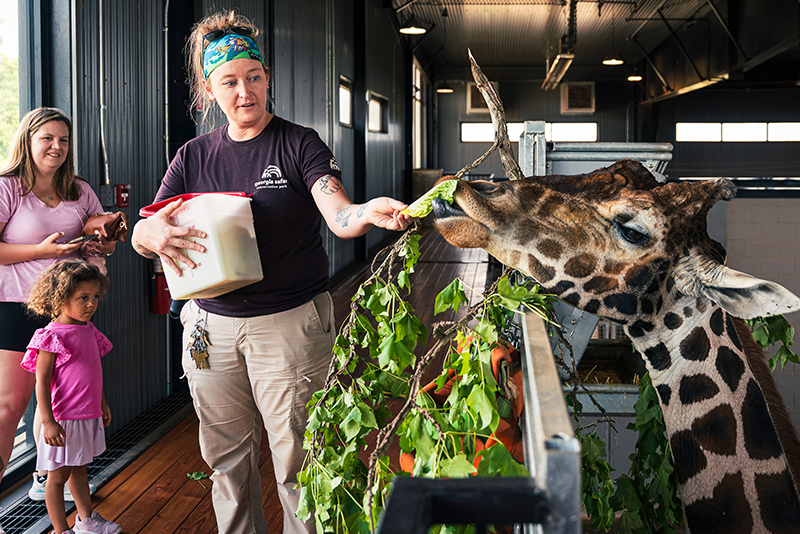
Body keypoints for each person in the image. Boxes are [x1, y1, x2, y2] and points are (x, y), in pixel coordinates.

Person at [130, 9, 411, 534]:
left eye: (253, 78)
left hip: (287, 326)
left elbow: (339, 213)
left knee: (299, 461)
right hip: (209, 328)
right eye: (229, 82)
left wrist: (366, 213)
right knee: (226, 461)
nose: (245, 92)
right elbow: (145, 230)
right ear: (211, 92)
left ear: (267, 79)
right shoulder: (193, 155)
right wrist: (146, 236)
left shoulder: (300, 143)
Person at [0, 108, 117, 507]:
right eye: (47, 138)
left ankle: (43, 475)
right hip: (16, 307)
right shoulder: (8, 188)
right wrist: (43, 251)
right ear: (28, 141)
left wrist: (104, 243)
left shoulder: (79, 190)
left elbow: (102, 241)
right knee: (9, 407)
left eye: (63, 140)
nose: (56, 146)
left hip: (64, 312)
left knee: (56, 399)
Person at [21, 261, 119, 534]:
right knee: (57, 476)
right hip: (63, 419)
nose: (91, 304)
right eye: (83, 298)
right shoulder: (51, 336)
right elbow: (41, 381)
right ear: (59, 298)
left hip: (87, 414)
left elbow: (92, 370)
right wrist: (47, 421)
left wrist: (101, 402)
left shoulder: (88, 330)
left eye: (95, 297)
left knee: (80, 469)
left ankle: (86, 521)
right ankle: (60, 530)